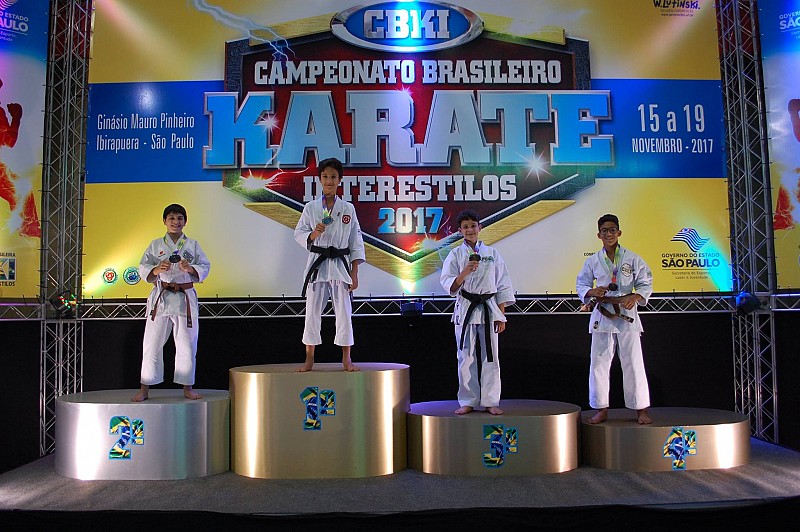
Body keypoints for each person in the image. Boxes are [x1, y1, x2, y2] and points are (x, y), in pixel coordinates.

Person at [576, 214, 653, 424]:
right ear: (598, 235)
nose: (608, 234)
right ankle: (601, 408)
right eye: (604, 231)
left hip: (627, 314)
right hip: (603, 313)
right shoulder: (592, 260)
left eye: (612, 230)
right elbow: (582, 283)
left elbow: (645, 283)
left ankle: (641, 409)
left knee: (633, 362)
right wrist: (592, 291)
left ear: (619, 232)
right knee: (599, 363)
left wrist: (635, 297)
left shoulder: (633, 258)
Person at [131, 204, 211, 402]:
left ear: (185, 221)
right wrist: (156, 269)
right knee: (151, 344)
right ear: (164, 221)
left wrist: (190, 268)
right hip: (161, 297)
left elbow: (205, 266)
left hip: (184, 297)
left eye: (180, 218)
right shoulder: (155, 245)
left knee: (187, 345)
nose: (176, 222)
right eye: (172, 218)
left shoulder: (192, 245)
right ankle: (144, 389)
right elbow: (144, 266)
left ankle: (187, 387)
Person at [440, 210, 515, 415]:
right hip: (466, 307)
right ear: (460, 231)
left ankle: (491, 400)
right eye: (465, 227)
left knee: (491, 356)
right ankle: (468, 400)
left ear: (480, 228)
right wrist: (465, 271)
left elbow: (503, 284)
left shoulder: (492, 253)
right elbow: (449, 284)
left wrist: (501, 315)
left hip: (489, 308)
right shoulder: (455, 254)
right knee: (465, 356)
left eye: (473, 226)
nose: (470, 230)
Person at [294, 158, 365, 372]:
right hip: (318, 264)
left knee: (344, 313)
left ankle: (346, 359)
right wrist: (313, 234)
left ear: (340, 180)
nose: (329, 181)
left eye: (333, 177)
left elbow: (355, 242)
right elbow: (299, 233)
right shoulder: (311, 208)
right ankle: (309, 359)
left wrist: (354, 272)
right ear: (319, 179)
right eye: (325, 176)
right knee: (311, 313)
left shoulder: (348, 208)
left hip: (340, 265)